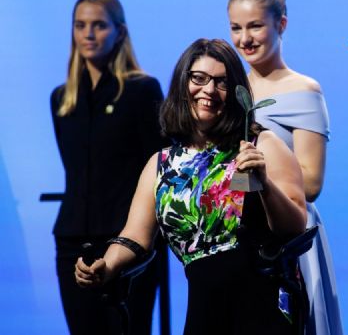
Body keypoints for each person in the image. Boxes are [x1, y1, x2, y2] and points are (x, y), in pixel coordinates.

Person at [75, 38, 308, 334]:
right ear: (182, 84)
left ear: (237, 92)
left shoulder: (261, 145)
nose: (209, 90)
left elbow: (295, 227)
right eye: (199, 78)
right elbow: (134, 237)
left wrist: (264, 185)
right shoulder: (160, 164)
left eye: (221, 82)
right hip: (203, 311)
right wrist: (106, 267)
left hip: (262, 307)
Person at [227, 0, 344, 335]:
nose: (244, 39)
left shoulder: (304, 89)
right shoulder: (228, 87)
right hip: (236, 234)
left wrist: (261, 174)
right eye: (235, 28)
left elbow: (310, 183)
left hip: (287, 237)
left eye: (255, 26)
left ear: (282, 24)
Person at [50, 0, 163, 335]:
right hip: (72, 239)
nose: (88, 33)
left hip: (127, 241)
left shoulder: (142, 91)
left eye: (99, 25)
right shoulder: (61, 99)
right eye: (80, 25)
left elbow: (160, 167)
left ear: (119, 31)